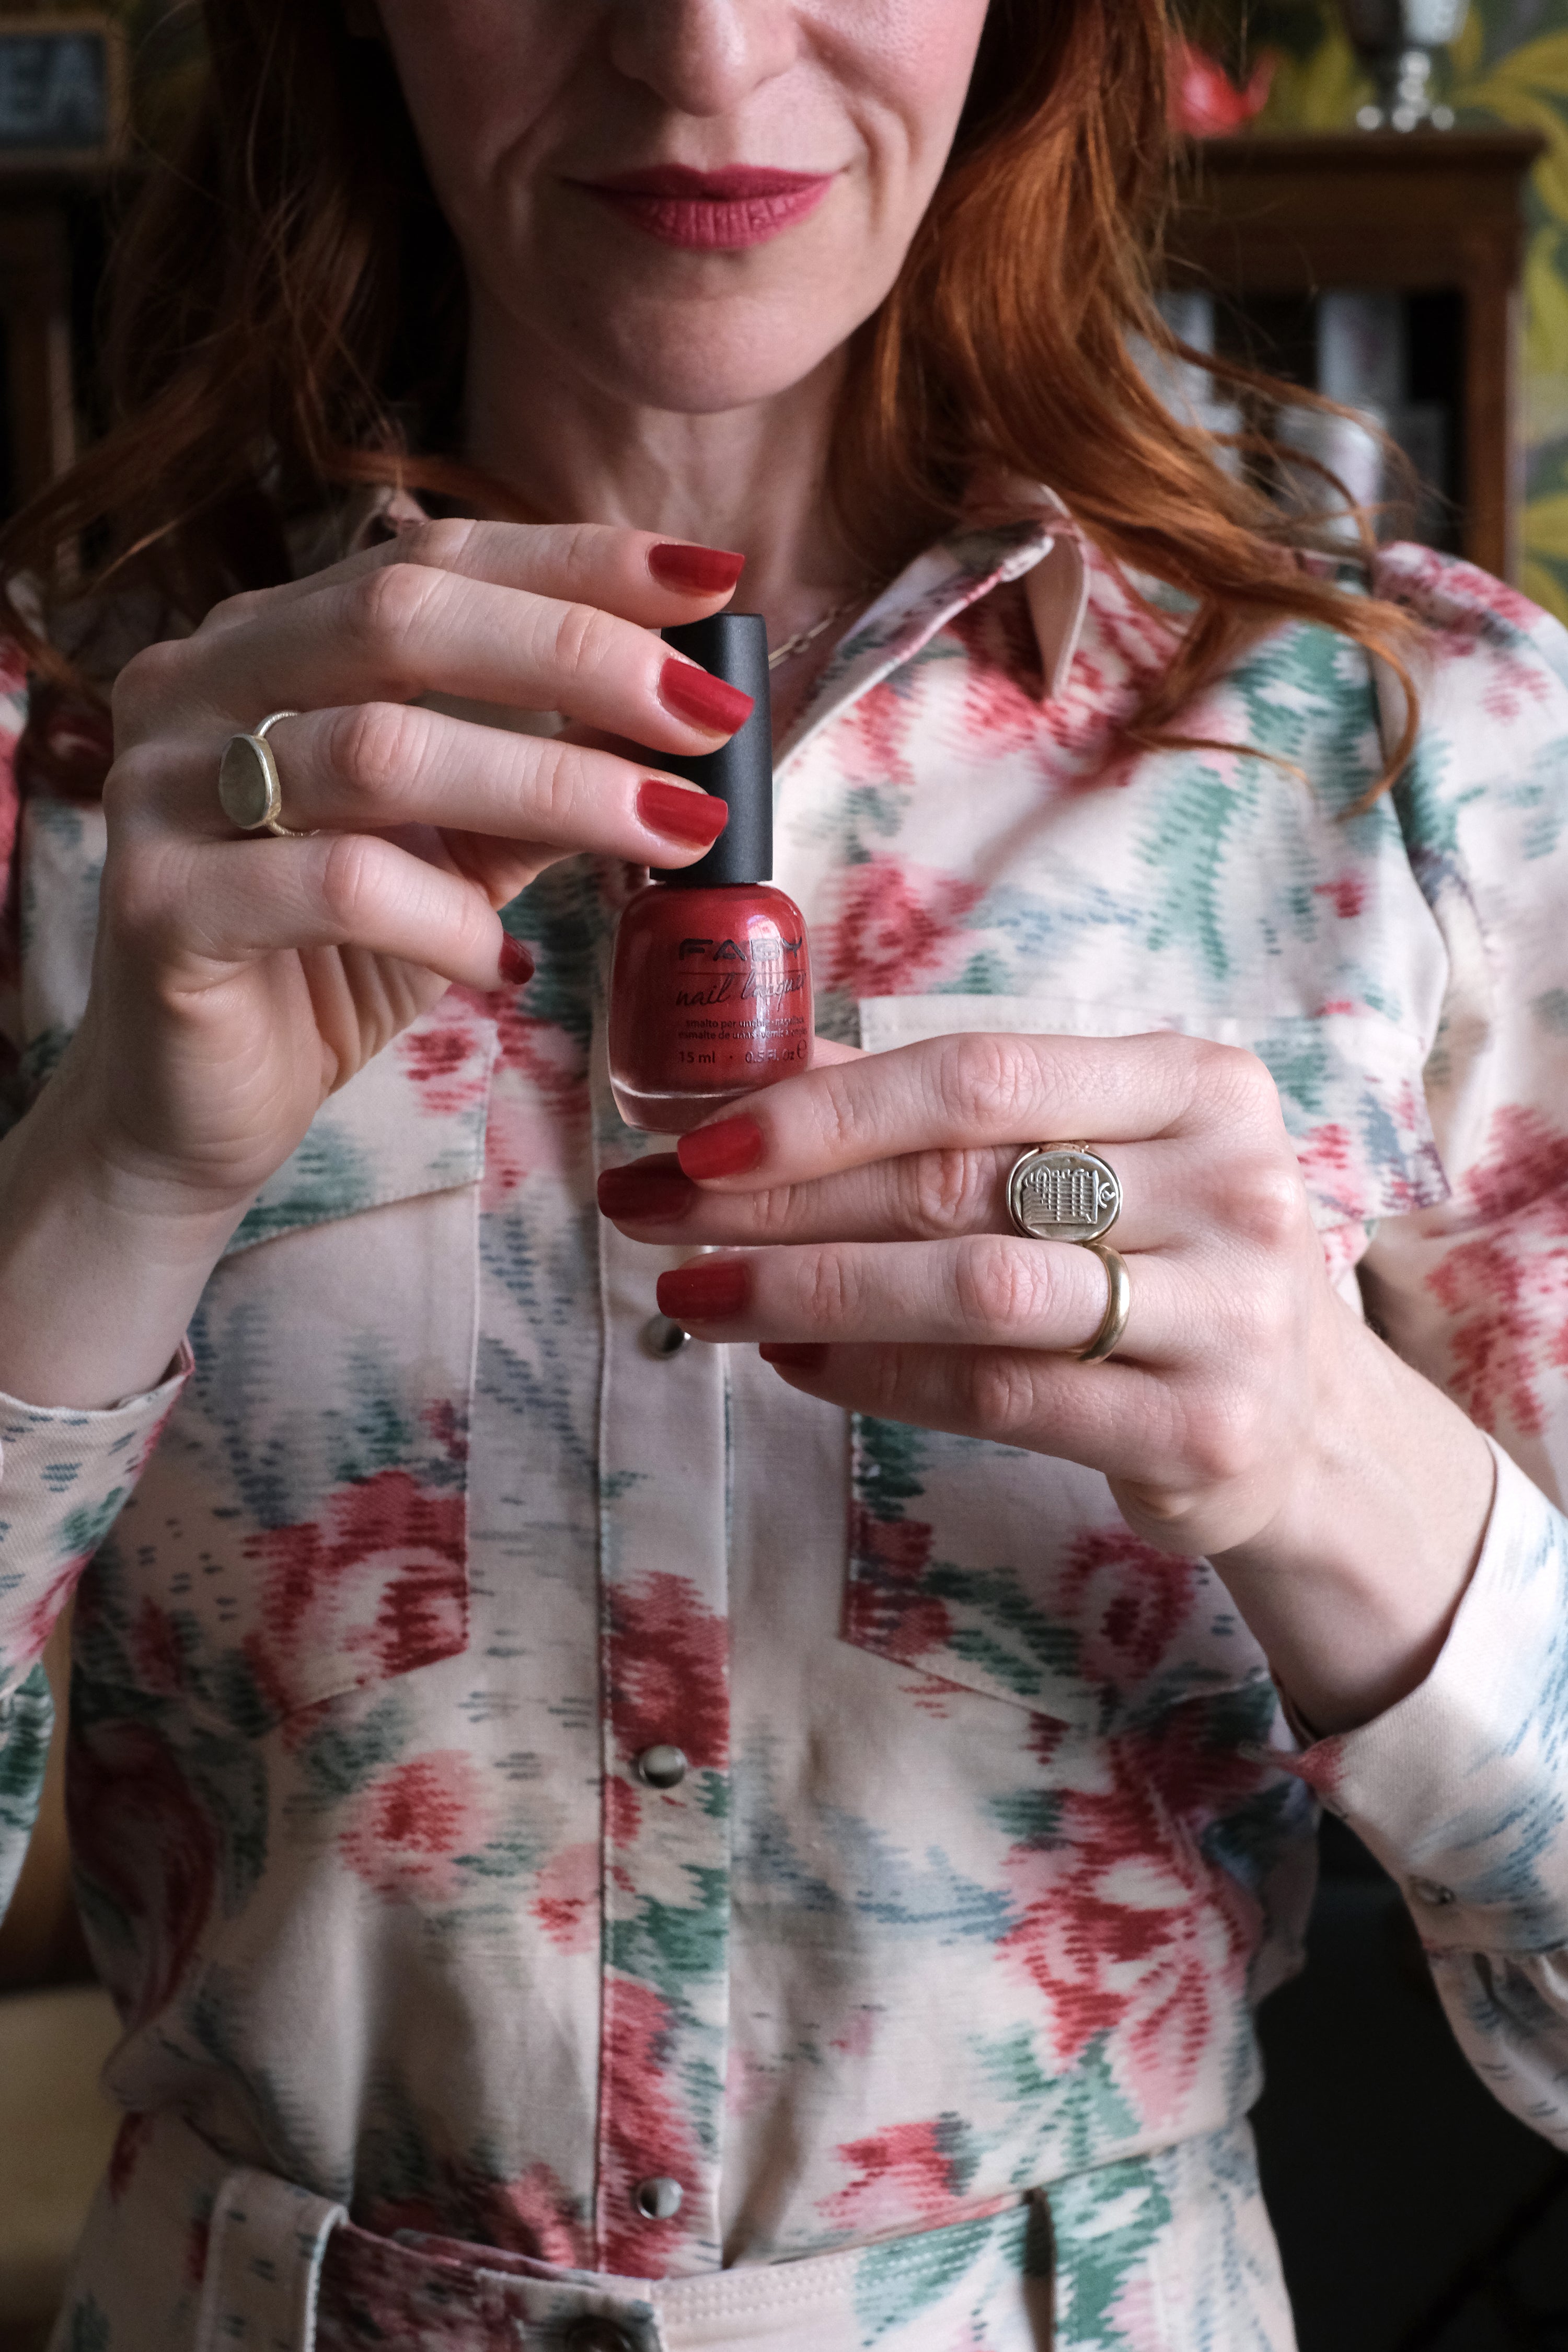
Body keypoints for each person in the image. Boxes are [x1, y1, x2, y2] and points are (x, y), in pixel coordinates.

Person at [0, 3, 1564, 2347]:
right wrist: (104, 1195)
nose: (706, 56)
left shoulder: (1425, 763)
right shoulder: (75, 768)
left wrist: (1341, 1462)